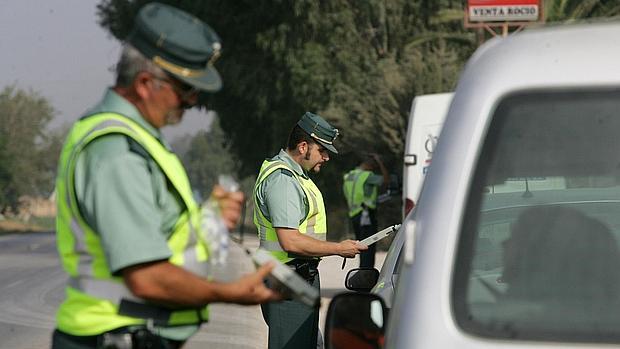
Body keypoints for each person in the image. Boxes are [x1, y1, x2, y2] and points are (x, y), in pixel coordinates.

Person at [51, 3, 280, 348]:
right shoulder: (118, 152)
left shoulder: (138, 140)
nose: (191, 101)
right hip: (112, 337)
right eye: (185, 89)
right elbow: (147, 277)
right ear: (145, 83)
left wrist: (210, 221)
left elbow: (164, 241)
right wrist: (229, 292)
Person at [253, 112, 368, 349]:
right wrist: (338, 248)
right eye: (322, 151)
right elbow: (290, 241)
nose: (326, 157)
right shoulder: (283, 180)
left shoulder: (296, 176)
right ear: (303, 146)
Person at [342, 153, 388, 268]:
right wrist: (380, 163)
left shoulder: (350, 175)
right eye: (374, 166)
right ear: (369, 164)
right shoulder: (367, 176)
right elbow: (386, 180)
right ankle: (366, 274)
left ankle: (363, 271)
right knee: (368, 246)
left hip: (354, 214)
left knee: (361, 246)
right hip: (366, 215)